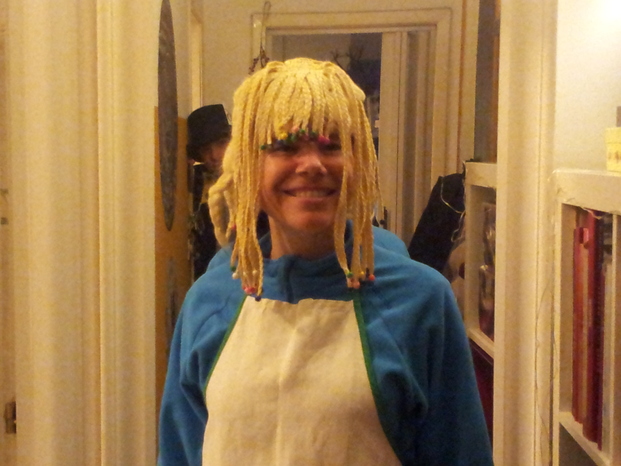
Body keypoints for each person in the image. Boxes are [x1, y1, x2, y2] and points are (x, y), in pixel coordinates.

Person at [158, 57, 493, 465]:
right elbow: (179, 453)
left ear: (358, 161)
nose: (313, 165)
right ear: (248, 165)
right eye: (285, 146)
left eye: (333, 145)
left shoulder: (421, 301)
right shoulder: (208, 301)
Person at [186, 104, 232, 279]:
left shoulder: (253, 180)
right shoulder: (196, 182)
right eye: (206, 150)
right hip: (208, 276)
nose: (214, 155)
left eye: (221, 144)